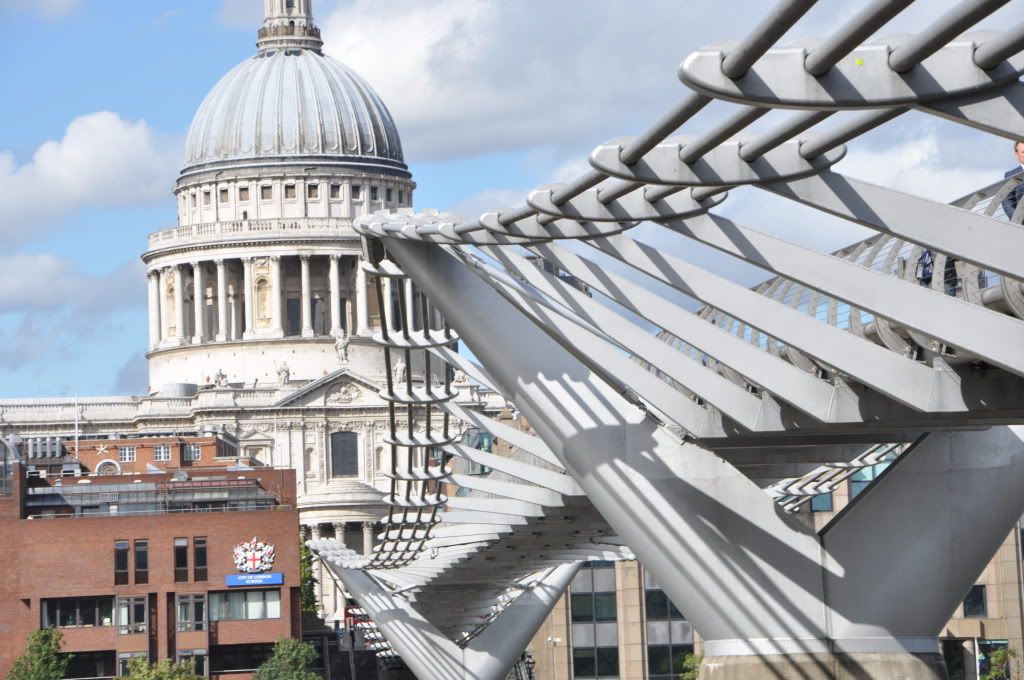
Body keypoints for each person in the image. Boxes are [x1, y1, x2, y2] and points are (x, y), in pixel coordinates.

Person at [1001, 140, 1024, 222]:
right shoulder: (1011, 175)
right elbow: (1007, 201)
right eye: (1023, 152)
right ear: (1017, 154)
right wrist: (1016, 220)